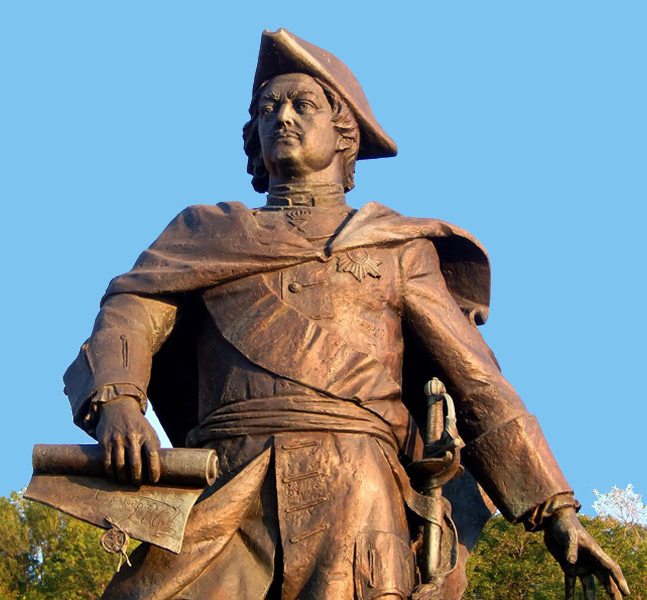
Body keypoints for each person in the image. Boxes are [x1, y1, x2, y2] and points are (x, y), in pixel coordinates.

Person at [63, 29, 627, 600]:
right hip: (223, 482)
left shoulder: (398, 249)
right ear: (253, 138)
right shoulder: (204, 233)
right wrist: (119, 402)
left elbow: (478, 383)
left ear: (344, 134)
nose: (280, 116)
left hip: (356, 497)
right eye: (267, 108)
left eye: (301, 104)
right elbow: (130, 309)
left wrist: (558, 513)